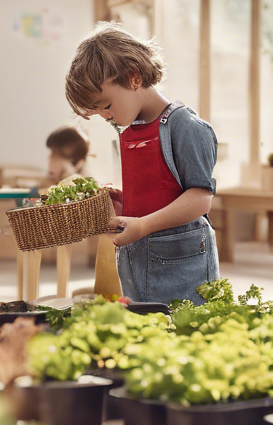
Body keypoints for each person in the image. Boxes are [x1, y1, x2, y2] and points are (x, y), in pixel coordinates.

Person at [64, 22, 219, 305]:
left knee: (186, 330)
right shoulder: (130, 130)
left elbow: (200, 199)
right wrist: (127, 205)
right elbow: (161, 192)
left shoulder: (185, 127)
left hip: (181, 261)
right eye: (96, 111)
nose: (104, 116)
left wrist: (144, 225)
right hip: (138, 259)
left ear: (133, 77)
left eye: (106, 105)